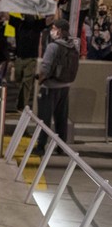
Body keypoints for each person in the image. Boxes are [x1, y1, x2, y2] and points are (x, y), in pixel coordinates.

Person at [34, 18, 79, 156]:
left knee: (44, 118)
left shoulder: (53, 46)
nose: (52, 31)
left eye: (54, 28)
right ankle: (61, 146)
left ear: (59, 30)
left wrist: (40, 79)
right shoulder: (73, 46)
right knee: (61, 118)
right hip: (65, 86)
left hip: (50, 87)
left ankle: (41, 146)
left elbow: (46, 67)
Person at [6, 13, 47, 112]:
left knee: (27, 82)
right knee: (18, 80)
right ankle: (21, 101)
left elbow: (51, 19)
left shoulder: (38, 24)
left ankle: (23, 105)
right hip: (19, 58)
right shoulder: (18, 23)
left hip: (32, 58)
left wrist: (55, 5)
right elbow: (6, 16)